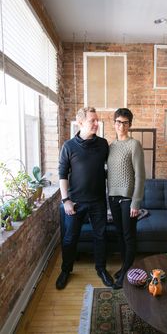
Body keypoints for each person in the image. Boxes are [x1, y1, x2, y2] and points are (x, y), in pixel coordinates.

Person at [56, 107, 114, 290]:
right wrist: (66, 200)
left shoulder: (103, 144)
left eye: (97, 120)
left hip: (98, 201)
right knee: (69, 238)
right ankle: (66, 270)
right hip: (75, 202)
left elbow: (110, 168)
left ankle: (101, 269)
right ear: (80, 122)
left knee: (100, 236)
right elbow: (62, 175)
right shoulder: (68, 146)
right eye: (92, 121)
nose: (97, 123)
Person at [107, 108, 145, 289]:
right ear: (114, 123)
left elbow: (140, 176)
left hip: (128, 200)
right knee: (120, 236)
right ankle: (124, 268)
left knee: (129, 236)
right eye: (118, 122)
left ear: (129, 125)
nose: (121, 126)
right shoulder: (111, 146)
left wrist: (136, 201)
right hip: (113, 198)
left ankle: (127, 272)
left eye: (125, 122)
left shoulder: (134, 145)